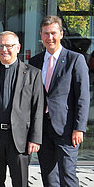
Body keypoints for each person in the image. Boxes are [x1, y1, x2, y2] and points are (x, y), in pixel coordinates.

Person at [29, 15, 90, 187]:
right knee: (48, 177)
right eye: (46, 34)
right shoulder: (35, 62)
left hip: (66, 128)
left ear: (61, 34)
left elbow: (83, 97)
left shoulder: (75, 59)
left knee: (67, 175)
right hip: (42, 128)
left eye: (53, 33)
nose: (50, 38)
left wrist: (79, 128)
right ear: (41, 36)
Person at [0, 31, 43, 187]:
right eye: (0, 46)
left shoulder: (33, 73)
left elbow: (38, 108)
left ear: (18, 48)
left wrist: (35, 138)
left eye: (8, 46)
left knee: (20, 182)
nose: (4, 50)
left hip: (20, 139)